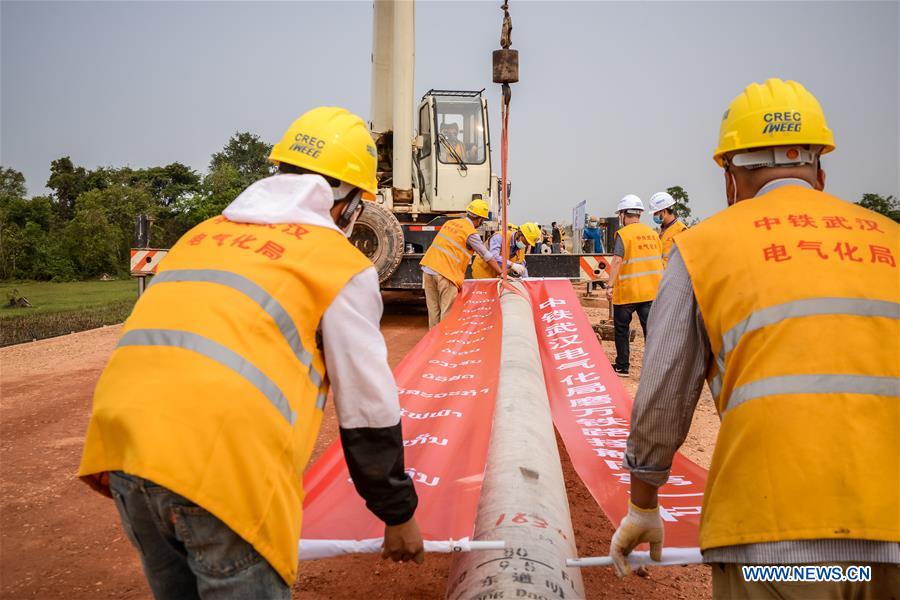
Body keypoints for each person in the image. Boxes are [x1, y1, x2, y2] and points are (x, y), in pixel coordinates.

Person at [78, 107, 425, 600]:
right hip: (220, 470)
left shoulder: (199, 235)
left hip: (124, 455)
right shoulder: (338, 263)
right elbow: (368, 405)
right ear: (346, 201)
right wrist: (398, 514)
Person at [611, 79, 899, 598]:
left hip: (777, 544)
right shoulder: (892, 240)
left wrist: (643, 505)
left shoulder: (705, 247)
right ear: (820, 171)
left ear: (729, 177)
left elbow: (661, 398)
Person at [604, 195, 663, 377]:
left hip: (628, 291)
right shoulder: (653, 234)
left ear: (623, 214)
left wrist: (609, 285)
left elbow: (617, 261)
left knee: (622, 329)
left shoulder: (624, 234)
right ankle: (655, 369)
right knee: (651, 331)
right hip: (651, 292)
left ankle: (622, 366)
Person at [420, 199, 501, 328]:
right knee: (447, 314)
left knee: (433, 313)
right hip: (446, 275)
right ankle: (444, 345)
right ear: (479, 219)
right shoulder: (471, 233)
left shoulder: (450, 223)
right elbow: (487, 256)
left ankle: (434, 345)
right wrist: (501, 273)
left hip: (428, 269)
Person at [472, 221, 541, 279]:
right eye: (526, 242)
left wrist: (526, 279)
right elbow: (493, 256)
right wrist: (512, 265)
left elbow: (522, 265)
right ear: (519, 234)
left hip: (499, 275)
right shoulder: (499, 237)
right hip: (483, 272)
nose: (526, 245)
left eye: (528, 244)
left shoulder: (521, 246)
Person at [648, 191, 687, 268]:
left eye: (655, 213)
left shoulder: (681, 230)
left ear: (664, 211)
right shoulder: (660, 231)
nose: (654, 216)